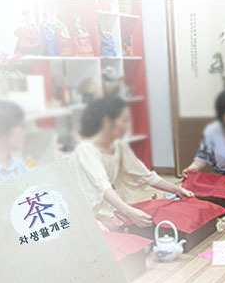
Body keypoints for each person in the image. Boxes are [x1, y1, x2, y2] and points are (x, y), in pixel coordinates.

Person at [69, 95, 193, 230]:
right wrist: (128, 211)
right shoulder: (85, 149)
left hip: (103, 206)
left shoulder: (118, 146)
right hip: (81, 209)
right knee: (107, 233)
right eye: (124, 120)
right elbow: (101, 185)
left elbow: (145, 176)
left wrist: (178, 190)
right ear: (107, 122)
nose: (127, 126)